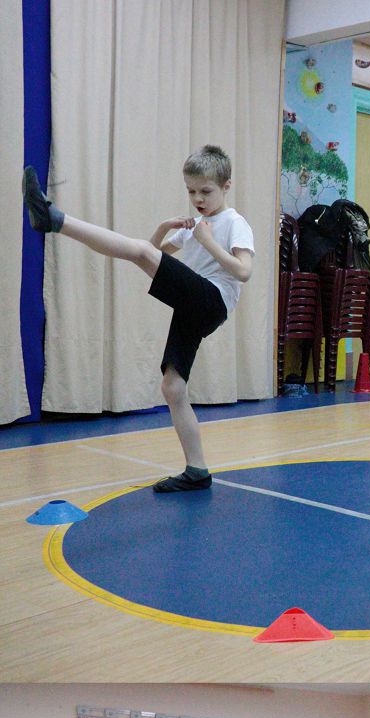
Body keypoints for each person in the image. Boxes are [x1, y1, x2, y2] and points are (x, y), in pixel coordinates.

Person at [22, 146, 254, 494]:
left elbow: (243, 271)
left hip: (213, 299)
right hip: (192, 304)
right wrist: (163, 228)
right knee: (172, 387)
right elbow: (151, 253)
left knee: (141, 254)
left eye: (206, 191)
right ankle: (197, 470)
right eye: (191, 191)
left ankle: (55, 220)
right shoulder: (193, 226)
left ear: (226, 186)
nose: (197, 199)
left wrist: (207, 242)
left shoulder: (235, 223)